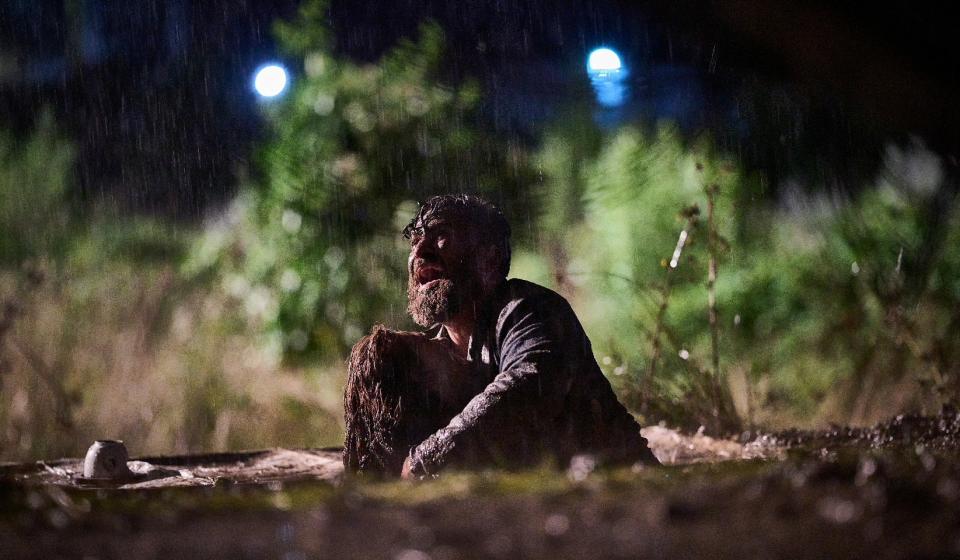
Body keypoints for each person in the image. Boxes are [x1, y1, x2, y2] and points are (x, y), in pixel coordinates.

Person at [343, 194, 658, 478]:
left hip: (623, 487)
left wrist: (425, 462)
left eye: (441, 236)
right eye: (414, 241)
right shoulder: (435, 356)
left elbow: (527, 386)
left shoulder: (529, 309)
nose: (420, 252)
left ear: (489, 260)